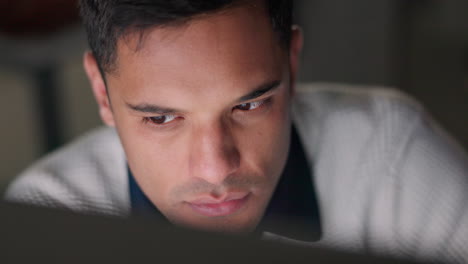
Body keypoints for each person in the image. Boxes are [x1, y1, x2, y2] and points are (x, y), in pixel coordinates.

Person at [5, 0, 468, 262]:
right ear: (102, 95)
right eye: (161, 118)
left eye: (249, 104)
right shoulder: (46, 221)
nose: (216, 168)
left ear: (291, 62)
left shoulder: (396, 166)